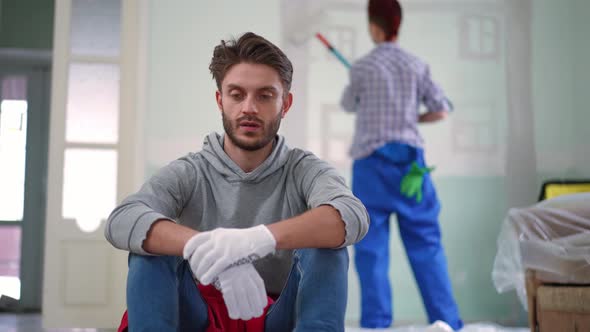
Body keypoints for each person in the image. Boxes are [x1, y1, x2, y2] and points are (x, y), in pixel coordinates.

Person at [105, 31, 369, 332]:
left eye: (265, 95)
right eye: (236, 94)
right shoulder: (189, 171)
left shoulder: (305, 170)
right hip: (199, 318)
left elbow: (352, 215)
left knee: (328, 246)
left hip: (277, 321)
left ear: (286, 103)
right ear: (220, 100)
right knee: (149, 251)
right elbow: (122, 219)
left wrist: (256, 240)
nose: (249, 108)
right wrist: (207, 248)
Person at [339, 0, 463, 330]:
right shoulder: (417, 65)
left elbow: (348, 104)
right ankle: (448, 323)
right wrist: (414, 116)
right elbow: (442, 110)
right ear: (398, 25)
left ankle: (376, 325)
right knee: (426, 246)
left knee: (371, 252)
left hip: (371, 166)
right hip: (411, 167)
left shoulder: (362, 68)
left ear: (373, 26)